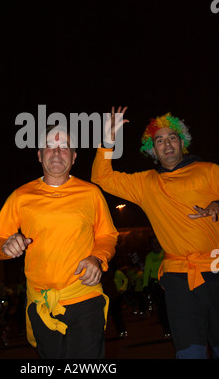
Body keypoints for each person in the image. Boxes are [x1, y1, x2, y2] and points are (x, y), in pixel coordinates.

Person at [91, 107, 219, 359]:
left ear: (183, 142)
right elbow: (101, 177)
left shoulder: (210, 170)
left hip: (217, 269)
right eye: (158, 140)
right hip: (179, 279)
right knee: (189, 352)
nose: (166, 143)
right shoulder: (145, 183)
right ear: (152, 149)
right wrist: (107, 141)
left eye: (172, 137)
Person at [0, 125, 118, 359]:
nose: (57, 153)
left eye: (64, 147)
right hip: (42, 302)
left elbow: (107, 235)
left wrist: (97, 258)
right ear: (39, 155)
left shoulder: (91, 193)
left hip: (85, 296)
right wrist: (4, 246)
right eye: (50, 146)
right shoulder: (21, 196)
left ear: (74, 157)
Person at [143, 237, 170, 337]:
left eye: (157, 243)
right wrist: (145, 285)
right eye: (153, 244)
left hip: (168, 282)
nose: (155, 246)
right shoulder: (149, 257)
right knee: (161, 309)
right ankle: (167, 330)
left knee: (170, 307)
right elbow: (146, 272)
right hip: (157, 285)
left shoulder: (165, 252)